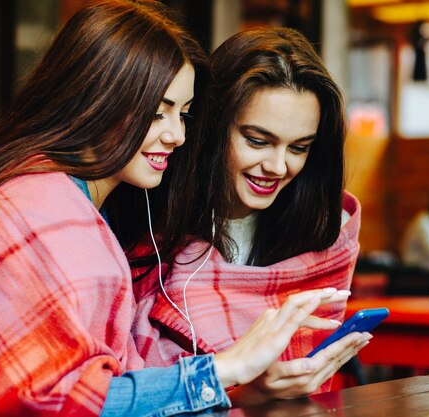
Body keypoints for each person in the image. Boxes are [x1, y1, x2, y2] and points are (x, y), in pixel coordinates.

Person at [0, 3, 358, 416]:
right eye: (157, 113)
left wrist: (245, 388)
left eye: (183, 115)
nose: (177, 136)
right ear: (97, 99)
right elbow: (64, 400)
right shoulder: (52, 213)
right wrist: (224, 371)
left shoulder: (67, 200)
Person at [130, 27, 368, 403]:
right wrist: (246, 393)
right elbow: (122, 387)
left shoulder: (327, 230)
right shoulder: (146, 214)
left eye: (299, 148)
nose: (277, 166)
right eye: (257, 141)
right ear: (210, 127)